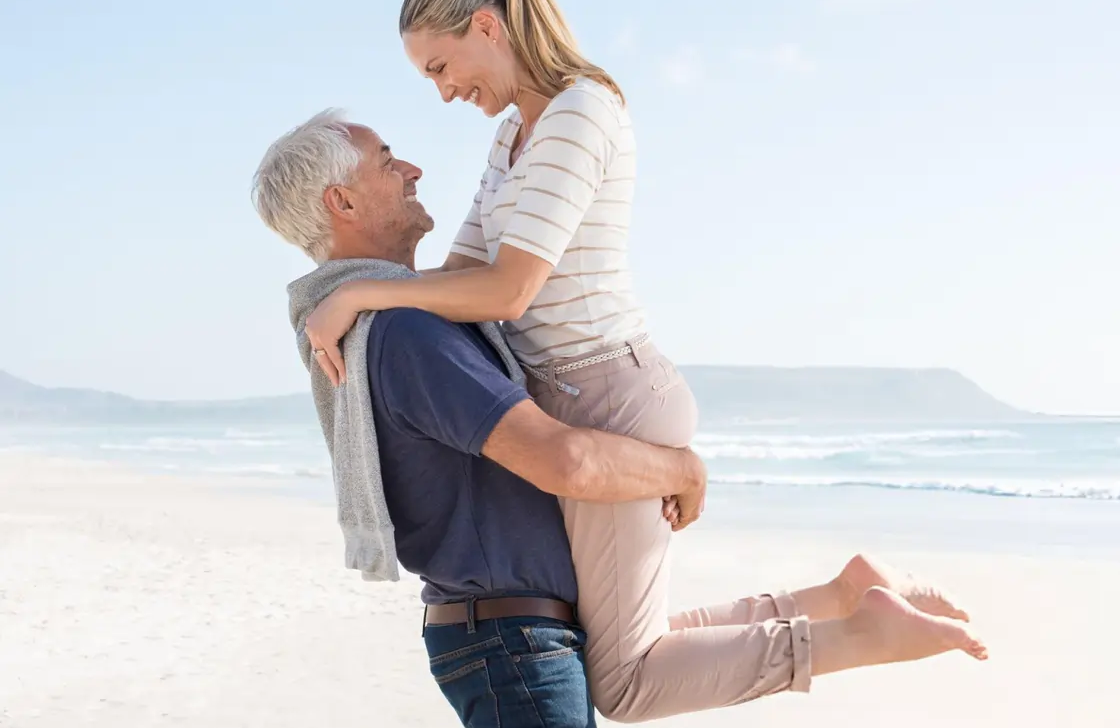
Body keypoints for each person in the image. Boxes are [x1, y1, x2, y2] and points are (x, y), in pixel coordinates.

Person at [260, 110, 986, 724]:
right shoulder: (407, 333)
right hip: (511, 644)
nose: (412, 168)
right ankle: (854, 620)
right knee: (636, 677)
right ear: (342, 204)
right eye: (386, 160)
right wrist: (680, 467)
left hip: (510, 632)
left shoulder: (390, 314)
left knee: (642, 654)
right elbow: (562, 461)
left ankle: (842, 600)